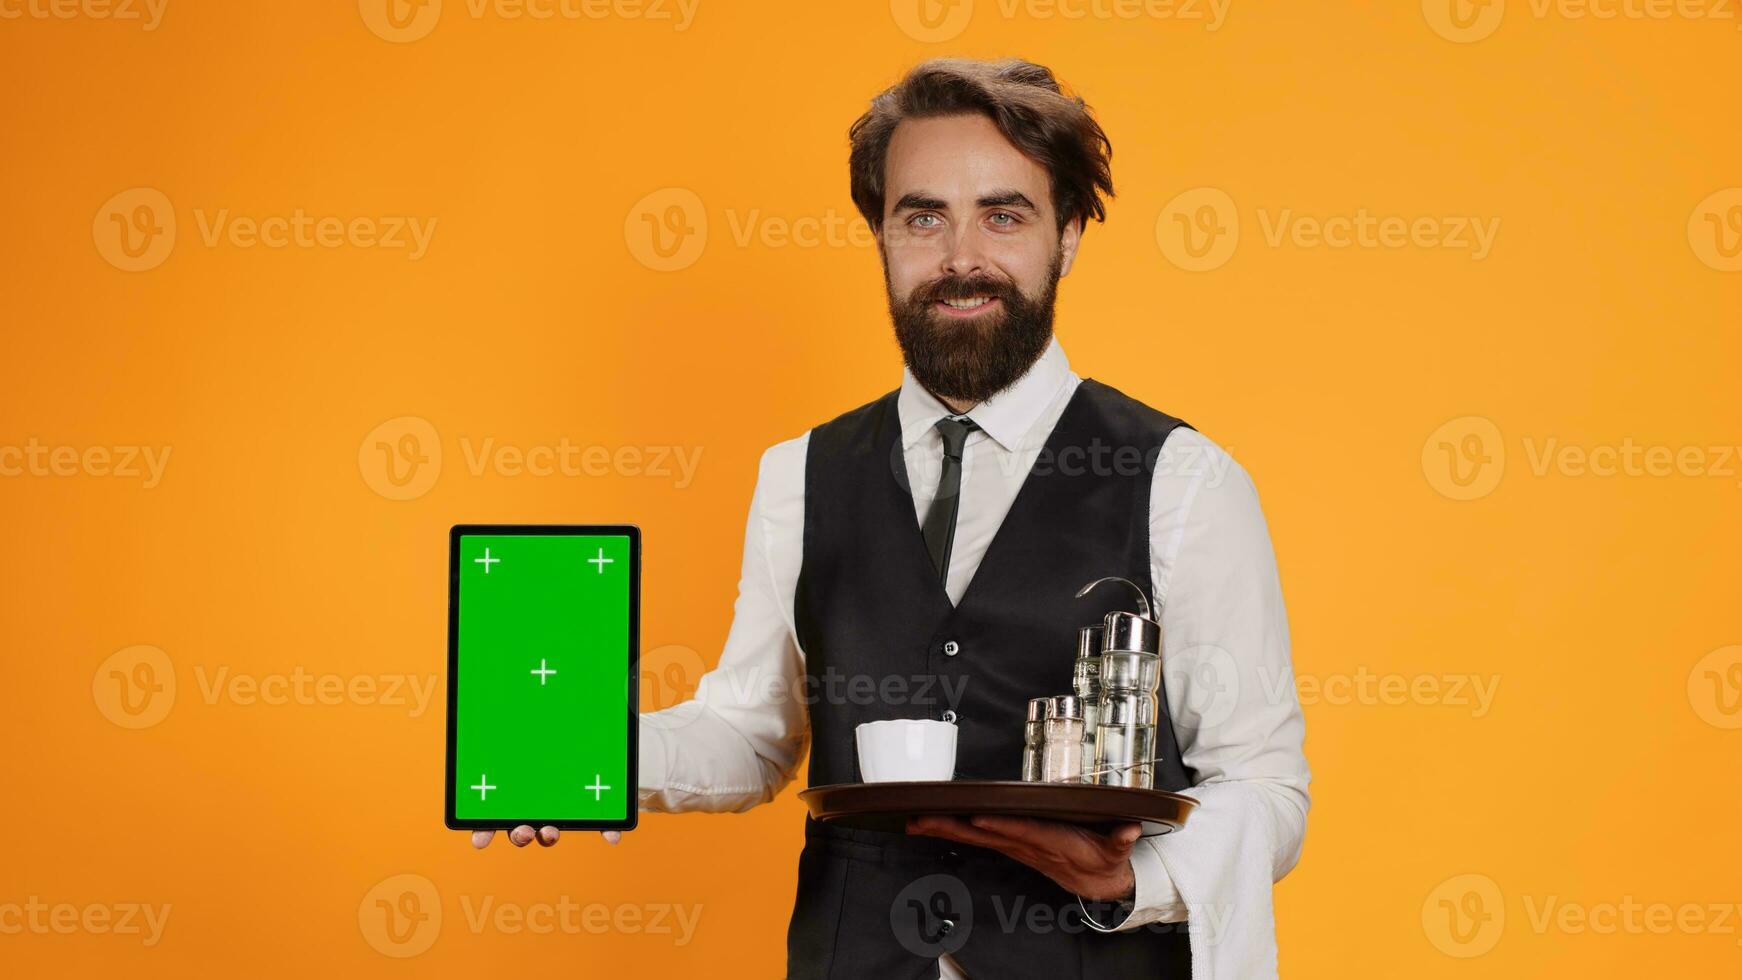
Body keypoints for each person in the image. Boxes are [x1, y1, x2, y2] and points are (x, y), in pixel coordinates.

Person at [470, 57, 1310, 979]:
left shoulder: (1183, 480)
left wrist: (1132, 877)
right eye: (923, 216)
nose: (961, 258)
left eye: (1005, 214)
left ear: (1068, 234)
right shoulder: (799, 474)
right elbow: (752, 735)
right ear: (879, 232)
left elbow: (1265, 789)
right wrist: (579, 752)